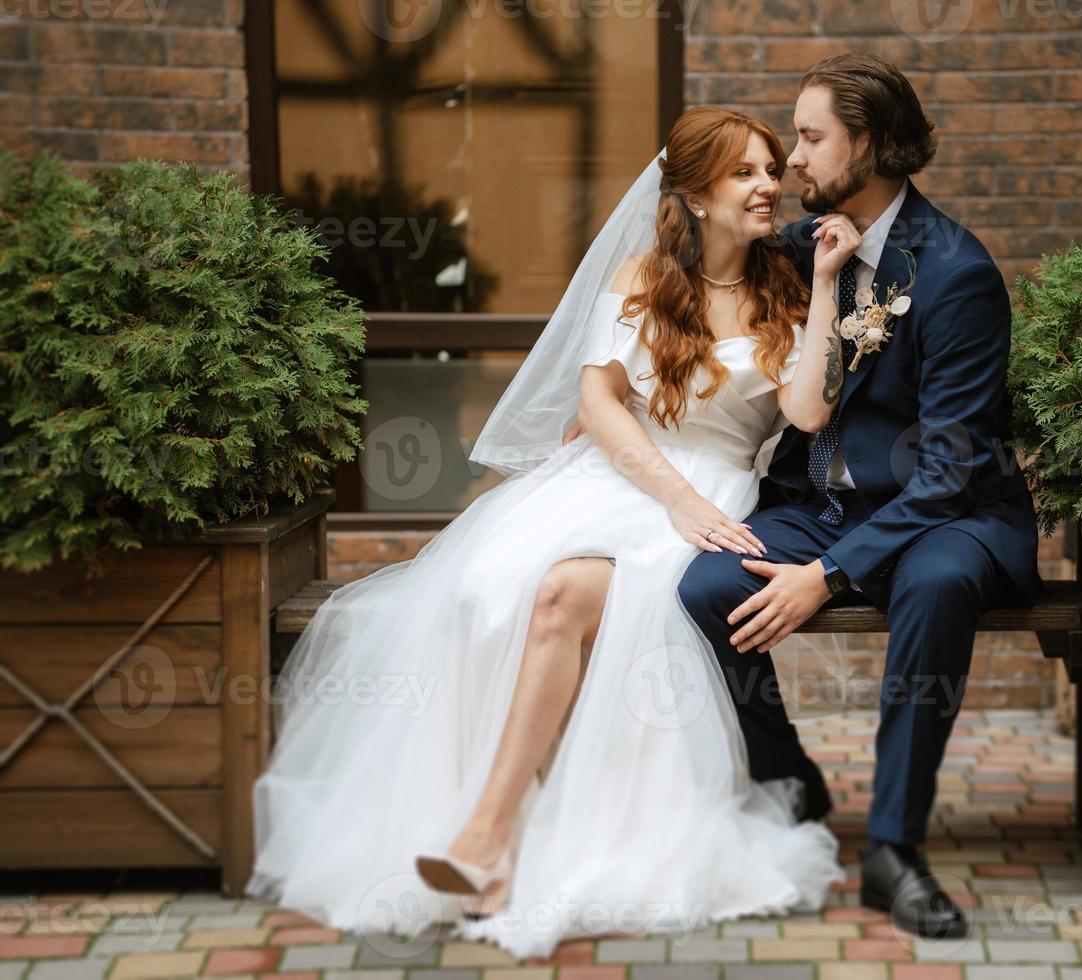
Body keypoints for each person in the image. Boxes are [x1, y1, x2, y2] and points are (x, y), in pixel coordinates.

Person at [245, 106, 857, 960]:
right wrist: (670, 496)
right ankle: (491, 838)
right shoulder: (645, 277)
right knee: (490, 590)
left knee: (564, 593)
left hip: (718, 492)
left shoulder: (788, 290)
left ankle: (487, 840)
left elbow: (805, 410)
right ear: (696, 193)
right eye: (746, 173)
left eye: (770, 168)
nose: (769, 185)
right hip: (622, 476)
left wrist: (828, 284)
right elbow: (598, 404)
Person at [677, 54, 1045, 941]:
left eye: (809, 139)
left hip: (945, 515)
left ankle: (893, 848)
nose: (793, 160)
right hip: (818, 500)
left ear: (871, 144)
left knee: (938, 585)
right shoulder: (807, 248)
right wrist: (615, 399)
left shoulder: (957, 273)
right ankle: (792, 775)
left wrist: (828, 576)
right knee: (703, 587)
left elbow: (951, 467)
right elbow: (697, 283)